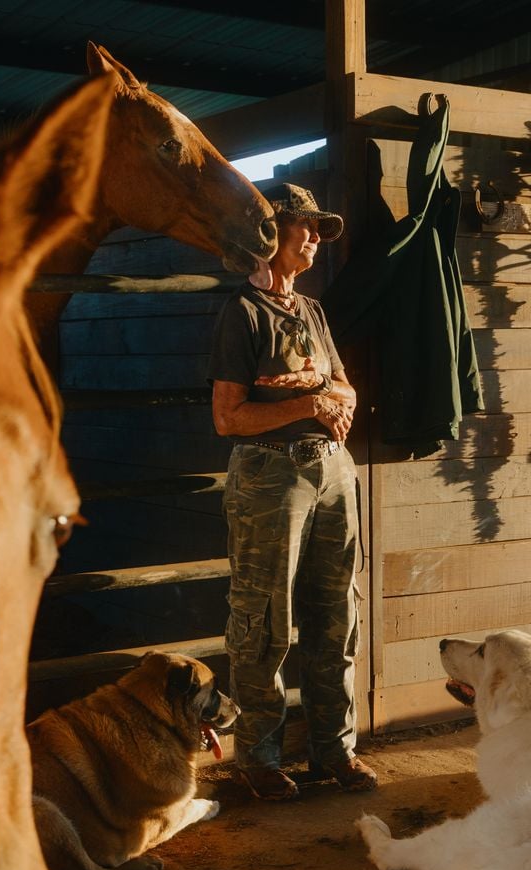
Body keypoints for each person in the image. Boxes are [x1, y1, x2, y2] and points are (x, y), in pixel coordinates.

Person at [208, 182, 377, 800]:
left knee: (338, 615)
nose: (312, 237)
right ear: (268, 233)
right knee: (264, 620)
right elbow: (229, 417)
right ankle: (259, 759)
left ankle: (336, 752)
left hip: (333, 469)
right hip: (268, 474)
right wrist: (310, 398)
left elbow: (348, 389)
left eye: (315, 227)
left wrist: (314, 390)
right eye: (301, 225)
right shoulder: (243, 313)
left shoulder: (311, 311)